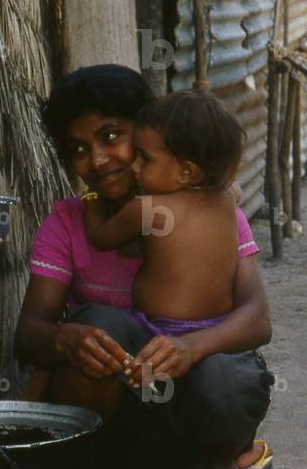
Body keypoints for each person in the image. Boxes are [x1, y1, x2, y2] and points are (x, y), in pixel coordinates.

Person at [15, 65, 278, 469]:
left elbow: (257, 319)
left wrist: (192, 346)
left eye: (112, 136)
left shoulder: (214, 209)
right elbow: (28, 336)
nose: (97, 160)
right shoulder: (68, 222)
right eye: (77, 149)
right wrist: (65, 339)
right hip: (111, 422)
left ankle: (219, 465)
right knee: (96, 323)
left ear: (148, 133)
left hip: (191, 417)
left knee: (230, 376)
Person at [83, 89, 243, 340]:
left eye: (145, 159)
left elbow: (101, 238)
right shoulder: (226, 198)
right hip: (217, 328)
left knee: (89, 323)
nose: (134, 166)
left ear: (187, 172)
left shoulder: (147, 209)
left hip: (159, 330)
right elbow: (235, 188)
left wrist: (91, 198)